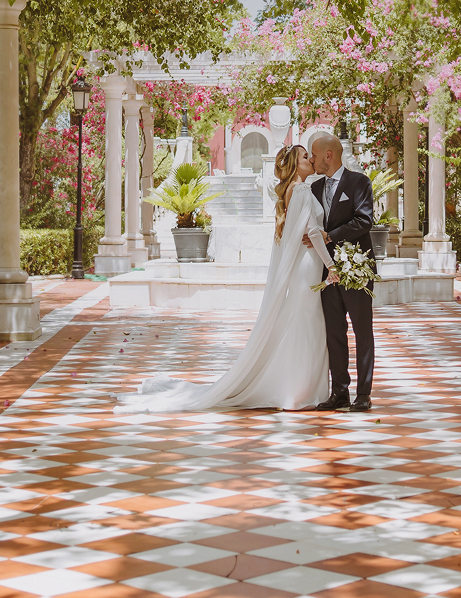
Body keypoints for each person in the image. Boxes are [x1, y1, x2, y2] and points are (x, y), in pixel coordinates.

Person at [114, 144, 336, 412]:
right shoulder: (300, 189)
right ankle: (299, 390)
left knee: (303, 321)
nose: (310, 160)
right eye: (304, 157)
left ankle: (296, 387)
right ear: (293, 165)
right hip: (307, 268)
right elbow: (312, 232)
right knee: (307, 322)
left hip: (304, 267)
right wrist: (332, 265)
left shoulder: (293, 190)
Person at [303, 133, 376, 412]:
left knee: (362, 331)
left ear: (328, 155)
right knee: (334, 332)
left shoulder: (359, 182)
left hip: (356, 267)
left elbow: (364, 220)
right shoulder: (314, 188)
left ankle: (364, 395)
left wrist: (329, 236)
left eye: (314, 154)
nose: (312, 160)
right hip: (327, 272)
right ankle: (340, 393)